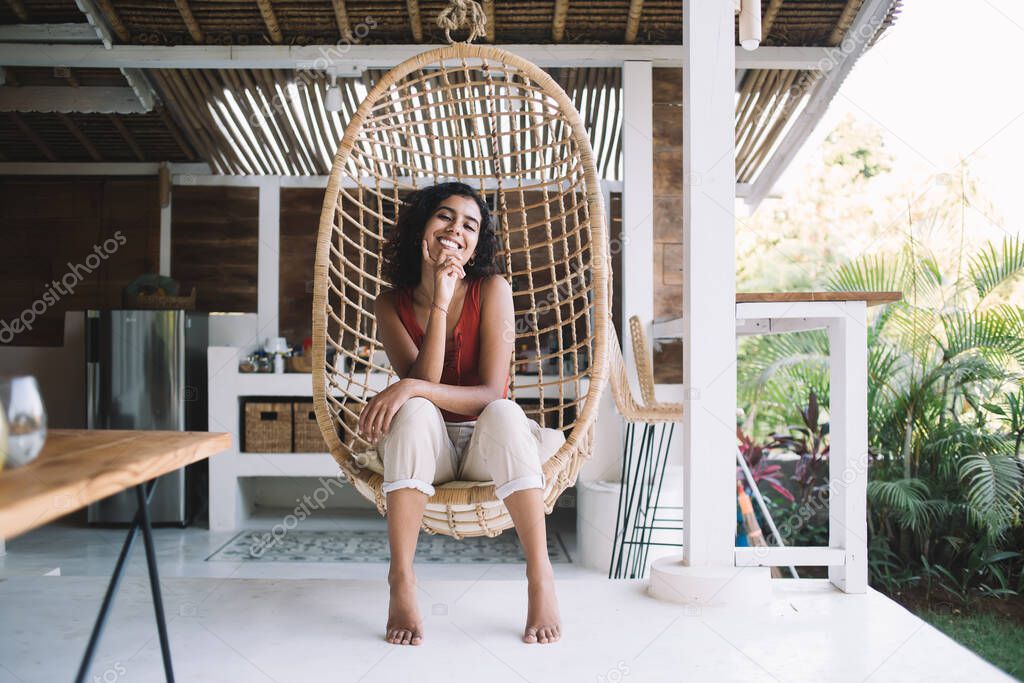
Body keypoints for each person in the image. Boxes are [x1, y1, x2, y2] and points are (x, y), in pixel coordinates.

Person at [358, 181, 561, 646]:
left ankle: (540, 575)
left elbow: (491, 392)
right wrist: (441, 302)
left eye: (470, 225)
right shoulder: (391, 303)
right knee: (411, 414)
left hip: (483, 447)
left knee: (507, 413)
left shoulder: (492, 289)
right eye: (445, 217)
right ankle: (402, 579)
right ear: (422, 228)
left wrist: (409, 383)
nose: (455, 231)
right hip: (430, 450)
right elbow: (422, 396)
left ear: (477, 243)